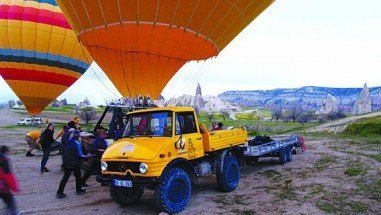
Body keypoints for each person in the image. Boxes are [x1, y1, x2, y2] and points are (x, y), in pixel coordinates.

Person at [56, 129, 88, 198]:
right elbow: (80, 154)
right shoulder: (77, 143)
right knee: (78, 176)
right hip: (74, 163)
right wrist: (88, 156)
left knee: (65, 178)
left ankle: (59, 192)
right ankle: (78, 190)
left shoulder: (67, 142)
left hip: (66, 163)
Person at [0, 146, 20, 215]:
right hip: (3, 188)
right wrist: (15, 188)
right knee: (11, 204)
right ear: (6, 152)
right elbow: (8, 176)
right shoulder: (4, 161)